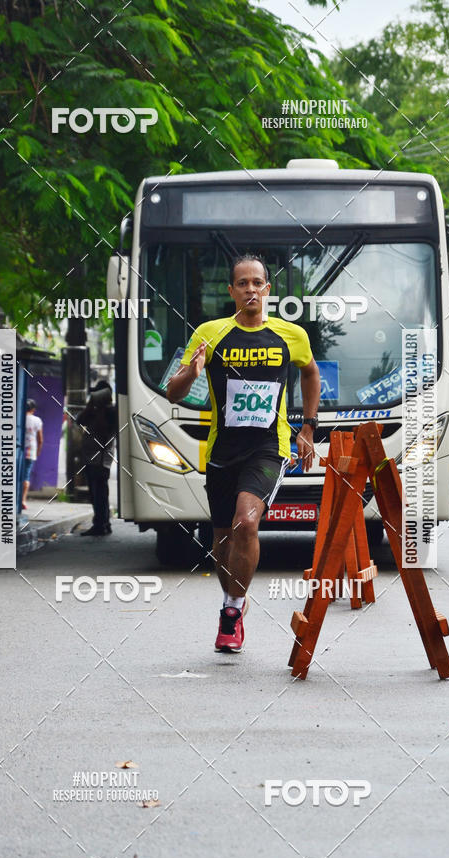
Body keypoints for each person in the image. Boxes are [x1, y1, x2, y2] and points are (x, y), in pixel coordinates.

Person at [167, 254, 321, 651]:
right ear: (232, 291)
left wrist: (307, 425)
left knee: (246, 524)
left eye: (258, 283)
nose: (251, 289)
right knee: (221, 540)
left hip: (269, 447)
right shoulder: (210, 333)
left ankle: (231, 613)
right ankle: (232, 597)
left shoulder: (291, 335)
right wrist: (192, 372)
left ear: (267, 289)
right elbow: (174, 391)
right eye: (242, 283)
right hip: (222, 449)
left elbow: (310, 372)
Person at [76, 380, 117, 536]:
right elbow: (80, 420)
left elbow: (104, 429)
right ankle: (103, 523)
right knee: (95, 494)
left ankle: (101, 524)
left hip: (101, 460)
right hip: (90, 458)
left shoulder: (111, 412)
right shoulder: (92, 410)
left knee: (100, 493)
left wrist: (99, 407)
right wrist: (91, 405)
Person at [23, 399, 43, 511]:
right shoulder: (37, 420)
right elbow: (40, 439)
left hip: (18, 449)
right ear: (33, 410)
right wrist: (38, 452)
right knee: (26, 476)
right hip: (31, 451)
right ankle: (23, 500)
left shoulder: (18, 418)